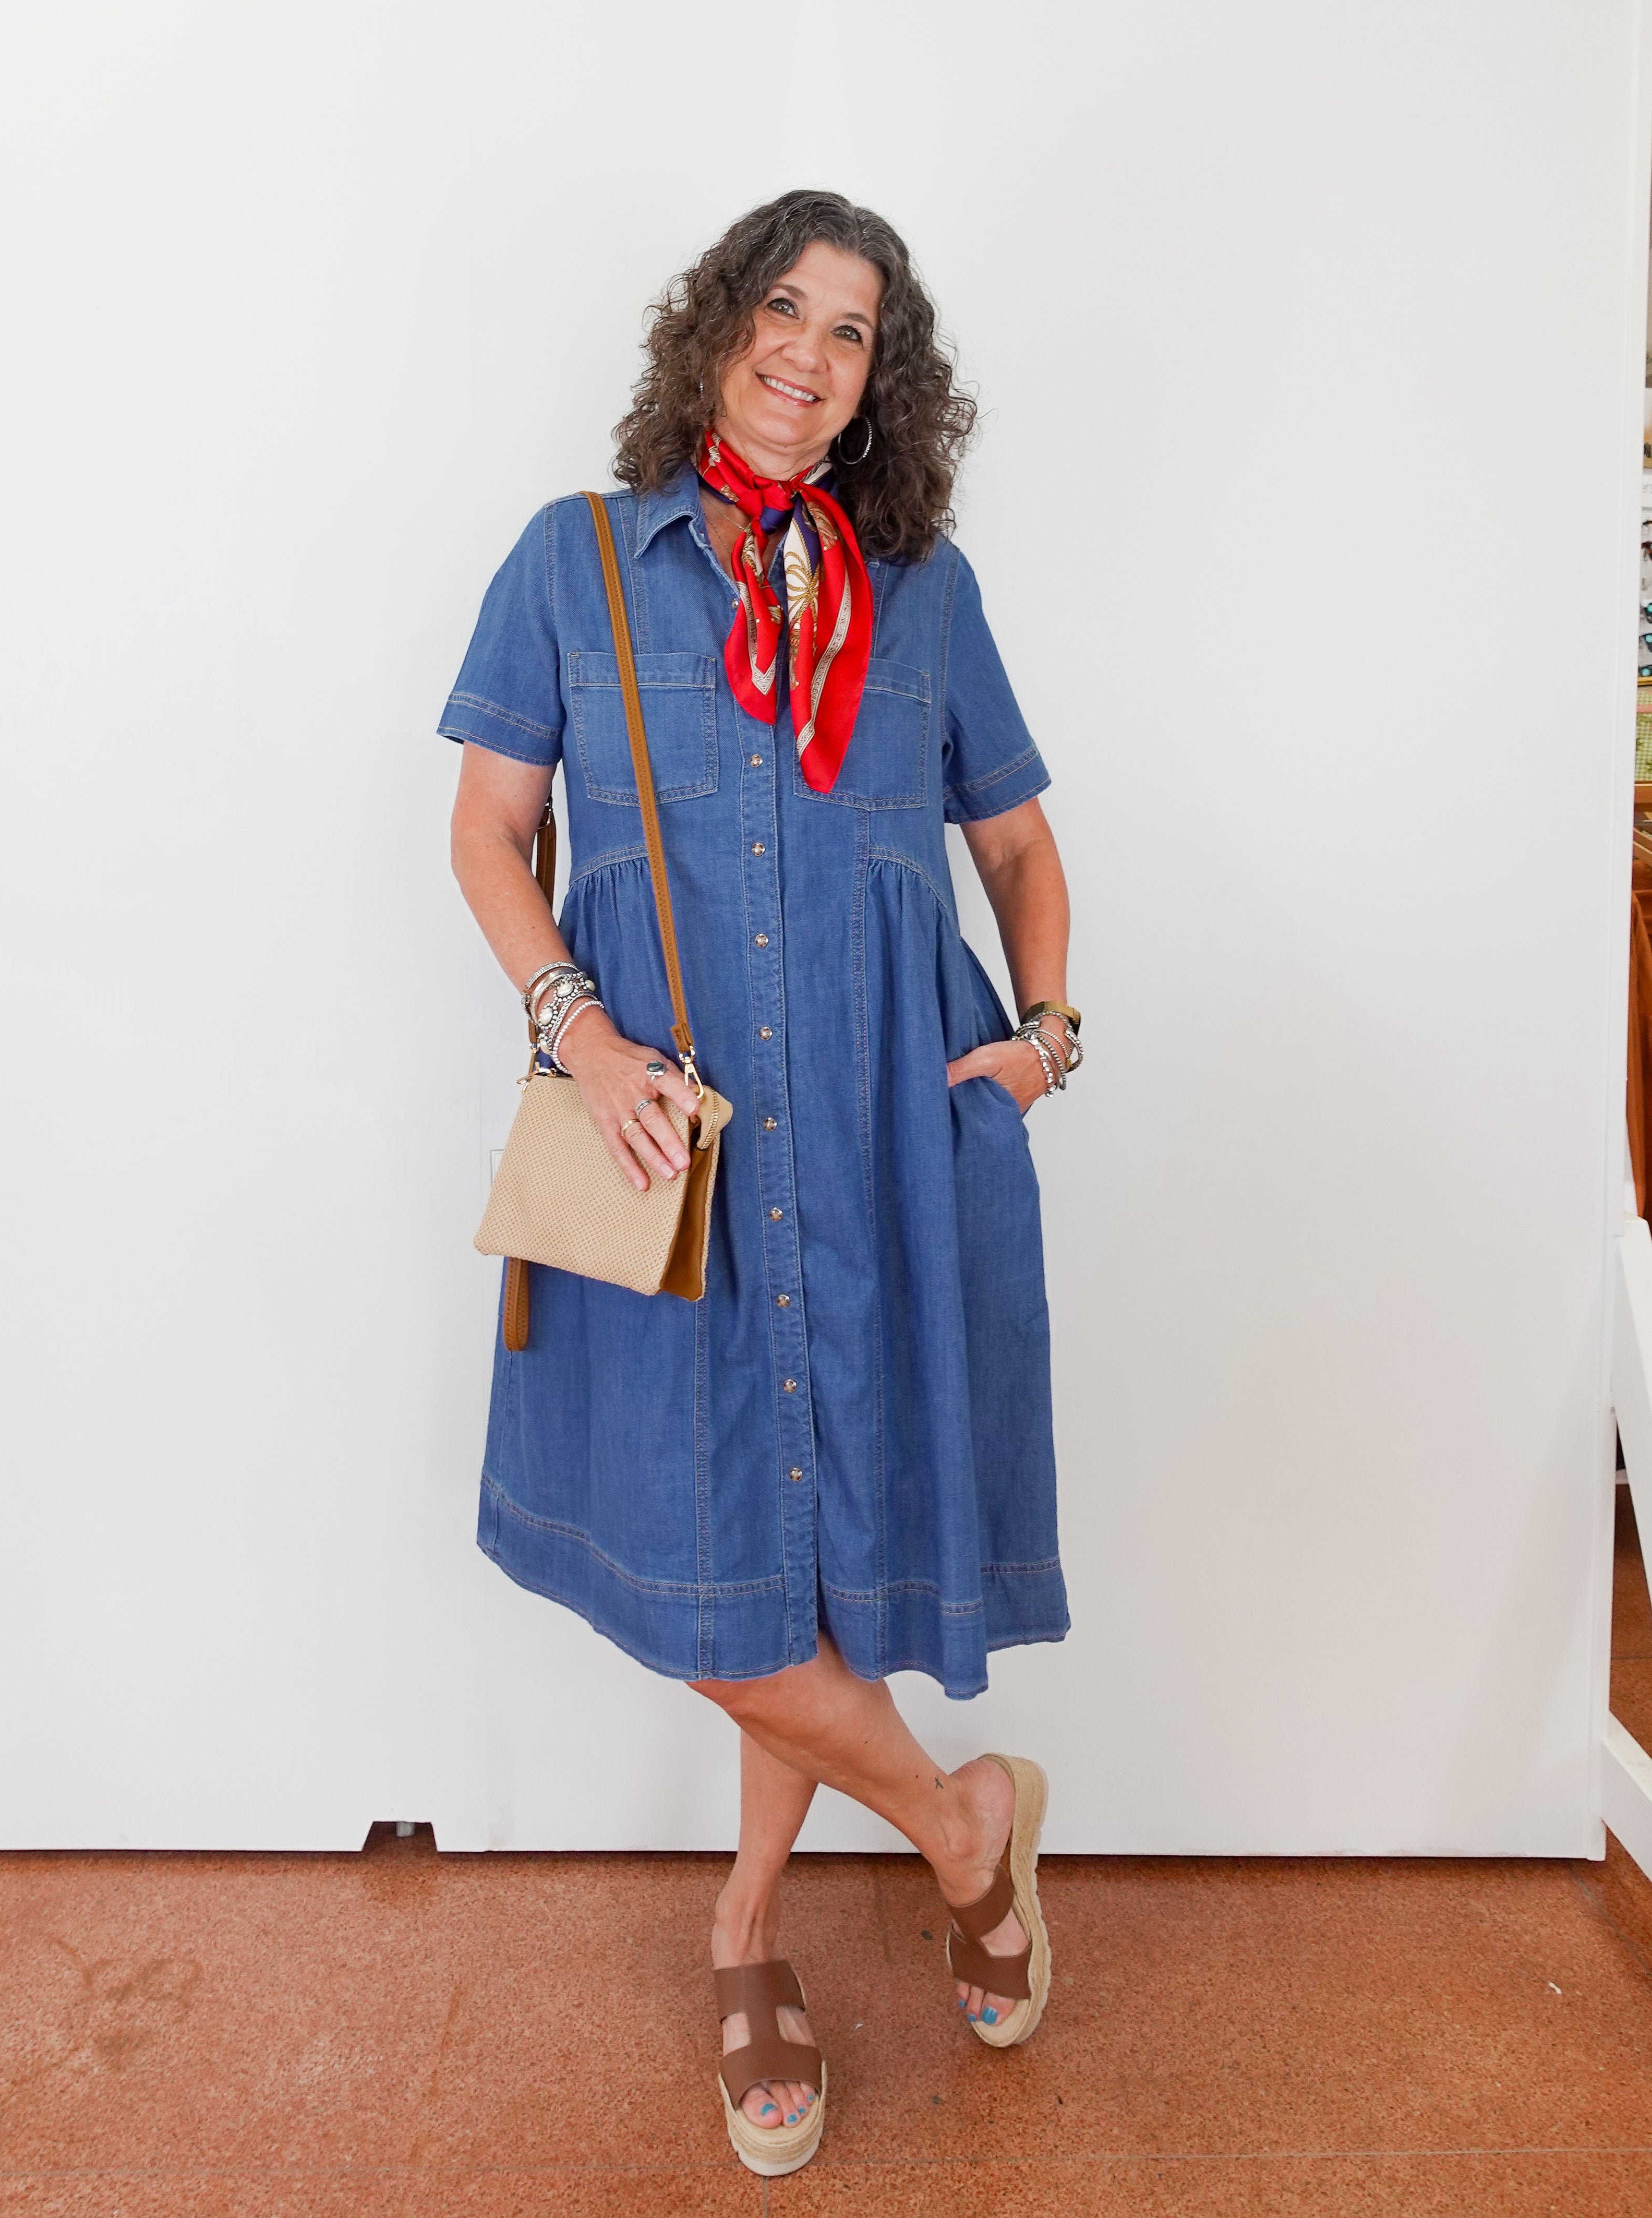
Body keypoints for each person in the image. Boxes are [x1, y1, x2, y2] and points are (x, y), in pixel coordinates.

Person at [442, 189, 1078, 2176]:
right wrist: (577, 1025)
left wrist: (1046, 1032)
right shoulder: (577, 563)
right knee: (722, 1571)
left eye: (854, 332)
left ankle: (742, 1937)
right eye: (781, 308)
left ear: (886, 382)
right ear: (716, 328)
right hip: (672, 1149)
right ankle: (966, 1826)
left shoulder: (925, 589)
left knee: (811, 1549)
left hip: (887, 1131)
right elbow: (484, 832)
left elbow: (1022, 849)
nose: (810, 351)